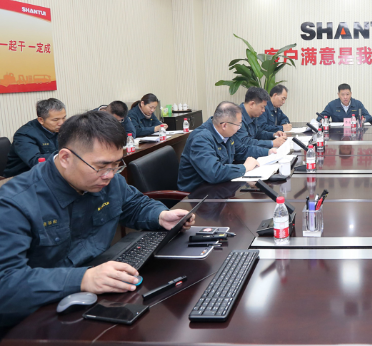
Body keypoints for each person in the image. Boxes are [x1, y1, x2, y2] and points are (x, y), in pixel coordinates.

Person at [0, 111, 194, 328]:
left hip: (100, 294)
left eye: (116, 165)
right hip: (38, 315)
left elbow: (133, 204)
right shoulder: (14, 203)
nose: (109, 175)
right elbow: (6, 283)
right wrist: (83, 279)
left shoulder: (106, 181)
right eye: (101, 167)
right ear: (65, 158)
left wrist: (160, 215)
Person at [177, 102, 268, 192]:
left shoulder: (226, 133)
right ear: (224, 125)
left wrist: (268, 152)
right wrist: (244, 168)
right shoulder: (200, 139)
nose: (239, 128)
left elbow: (241, 150)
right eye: (239, 124)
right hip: (197, 194)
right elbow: (214, 173)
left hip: (218, 187)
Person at [4, 98, 67, 177]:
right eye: (55, 120)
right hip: (22, 177)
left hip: (53, 172)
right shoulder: (24, 135)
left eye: (64, 118)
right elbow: (35, 161)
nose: (62, 123)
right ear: (41, 120)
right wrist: (66, 156)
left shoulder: (64, 128)